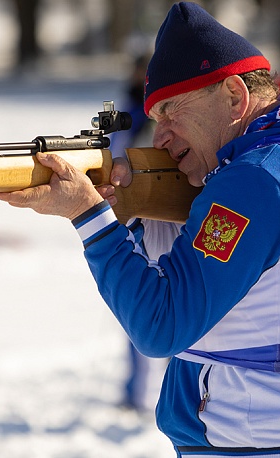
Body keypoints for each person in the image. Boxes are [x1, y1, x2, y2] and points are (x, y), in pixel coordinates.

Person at [0, 3, 280, 456]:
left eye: (172, 111)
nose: (161, 138)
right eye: (156, 119)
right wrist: (135, 215)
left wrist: (89, 217)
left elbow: (160, 325)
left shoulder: (257, 179)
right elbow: (228, 287)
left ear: (234, 96)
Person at [108, 53, 170, 412]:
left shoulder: (158, 113)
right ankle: (138, 391)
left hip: (158, 213)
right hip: (131, 213)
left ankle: (149, 393)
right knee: (137, 309)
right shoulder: (127, 109)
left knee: (158, 307)